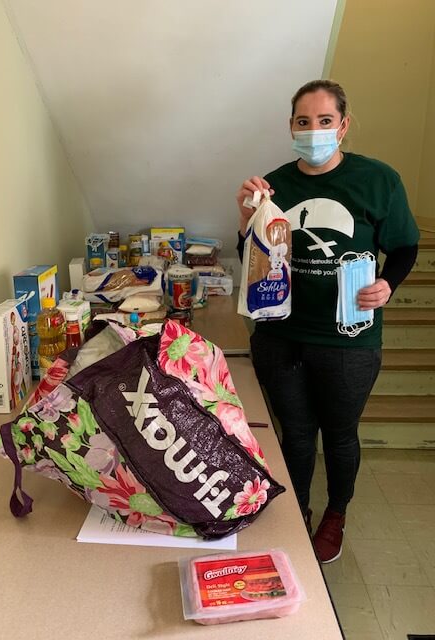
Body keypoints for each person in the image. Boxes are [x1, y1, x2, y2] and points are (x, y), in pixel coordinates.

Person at [236, 79, 419, 564]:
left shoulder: (378, 180)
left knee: (339, 434)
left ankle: (335, 514)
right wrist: (244, 219)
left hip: (348, 338)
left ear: (343, 125)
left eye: (324, 120)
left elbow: (405, 246)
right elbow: (254, 259)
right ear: (290, 126)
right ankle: (297, 512)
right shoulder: (274, 186)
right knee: (295, 433)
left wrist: (388, 284)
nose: (313, 130)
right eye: (303, 121)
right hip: (281, 335)